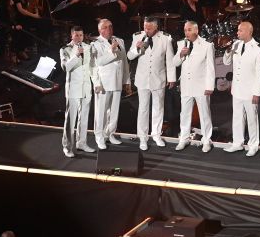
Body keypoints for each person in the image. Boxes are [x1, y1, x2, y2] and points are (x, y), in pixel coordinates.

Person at [126, 17, 176, 150]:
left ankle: (156, 135)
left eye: (149, 28)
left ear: (156, 27)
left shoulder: (165, 38)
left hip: (158, 78)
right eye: (145, 27)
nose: (146, 30)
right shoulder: (138, 36)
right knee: (143, 108)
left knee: (158, 107)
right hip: (142, 79)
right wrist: (136, 48)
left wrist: (171, 78)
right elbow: (129, 56)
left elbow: (170, 60)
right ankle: (143, 138)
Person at [222, 20, 260, 157]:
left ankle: (253, 145)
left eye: (240, 30)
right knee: (237, 117)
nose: (237, 32)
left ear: (249, 32)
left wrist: (257, 93)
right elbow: (226, 62)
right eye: (238, 30)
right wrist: (228, 50)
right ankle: (237, 143)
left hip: (250, 91)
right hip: (237, 90)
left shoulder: (258, 50)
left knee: (252, 119)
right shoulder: (235, 45)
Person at [173, 20, 215, 151]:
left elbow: (211, 68)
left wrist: (210, 86)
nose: (186, 32)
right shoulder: (181, 44)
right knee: (184, 114)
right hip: (186, 85)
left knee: (204, 114)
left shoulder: (207, 45)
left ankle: (206, 140)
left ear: (196, 30)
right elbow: (175, 63)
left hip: (201, 86)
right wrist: (181, 54)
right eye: (185, 30)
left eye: (189, 30)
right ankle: (184, 138)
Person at [91, 18, 130, 149]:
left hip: (117, 80)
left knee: (114, 111)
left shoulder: (119, 40)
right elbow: (98, 62)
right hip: (104, 83)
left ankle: (110, 134)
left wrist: (126, 81)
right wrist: (111, 51)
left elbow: (124, 62)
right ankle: (99, 137)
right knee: (101, 111)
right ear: (100, 30)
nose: (109, 29)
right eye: (105, 27)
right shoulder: (95, 44)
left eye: (110, 26)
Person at [59, 26, 97, 157]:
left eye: (81, 35)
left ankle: (82, 143)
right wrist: (76, 55)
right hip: (73, 88)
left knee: (84, 117)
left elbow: (92, 66)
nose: (79, 38)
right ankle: (67, 146)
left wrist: (95, 83)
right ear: (71, 36)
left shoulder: (87, 47)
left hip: (86, 87)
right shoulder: (65, 49)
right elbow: (65, 67)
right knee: (71, 119)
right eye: (76, 35)